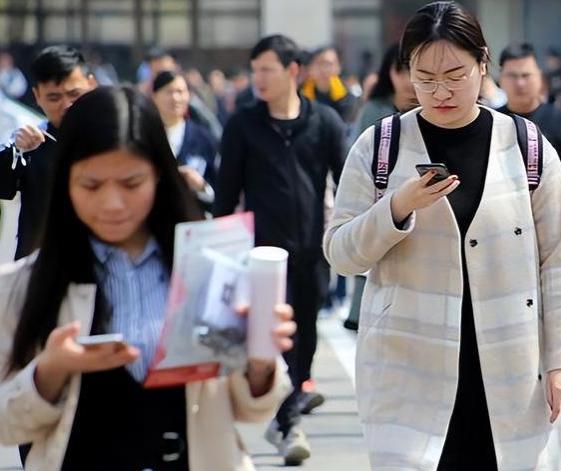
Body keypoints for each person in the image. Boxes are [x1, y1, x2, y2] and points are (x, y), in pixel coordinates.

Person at [323, 2, 561, 469]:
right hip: (409, 366)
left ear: (483, 64)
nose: (439, 90)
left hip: (509, 368)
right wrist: (398, 206)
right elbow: (341, 253)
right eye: (424, 77)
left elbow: (560, 259)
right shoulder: (380, 146)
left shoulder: (526, 146)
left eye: (455, 74)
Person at [0, 85, 294, 471]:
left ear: (159, 175)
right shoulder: (27, 284)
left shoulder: (210, 268)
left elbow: (253, 410)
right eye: (91, 185)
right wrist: (50, 371)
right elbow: (6, 425)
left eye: (131, 184)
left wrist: (260, 361)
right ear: (64, 182)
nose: (112, 203)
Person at [214, 34, 347, 466]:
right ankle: (286, 424)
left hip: (311, 252)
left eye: (266, 69)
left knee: (304, 343)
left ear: (293, 71)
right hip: (261, 258)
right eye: (254, 71)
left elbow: (347, 183)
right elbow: (226, 194)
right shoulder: (243, 124)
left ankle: (285, 417)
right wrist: (218, 252)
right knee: (267, 343)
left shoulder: (324, 122)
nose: (258, 79)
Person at [497, 42, 561, 249]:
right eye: (512, 76)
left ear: (540, 77)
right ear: (501, 78)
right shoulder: (492, 121)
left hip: (556, 226)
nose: (520, 83)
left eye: (526, 75)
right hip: (502, 229)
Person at [345, 43, 417, 331]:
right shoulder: (374, 110)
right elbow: (358, 161)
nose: (409, 79)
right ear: (390, 73)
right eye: (402, 70)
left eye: (415, 70)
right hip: (378, 203)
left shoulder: (432, 110)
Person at [0, 45, 97, 260]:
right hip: (40, 267)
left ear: (91, 84)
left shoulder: (112, 139)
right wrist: (18, 150)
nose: (66, 105)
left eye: (74, 94)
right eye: (54, 97)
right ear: (37, 95)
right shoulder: (30, 141)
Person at [152, 70, 218, 210]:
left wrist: (201, 185)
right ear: (154, 96)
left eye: (181, 91)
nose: (175, 98)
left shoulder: (203, 138)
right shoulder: (145, 136)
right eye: (168, 92)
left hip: (195, 221)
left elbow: (220, 188)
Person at [301, 46, 359, 124]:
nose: (324, 69)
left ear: (338, 68)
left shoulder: (348, 99)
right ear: (310, 69)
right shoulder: (301, 98)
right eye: (320, 63)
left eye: (329, 64)